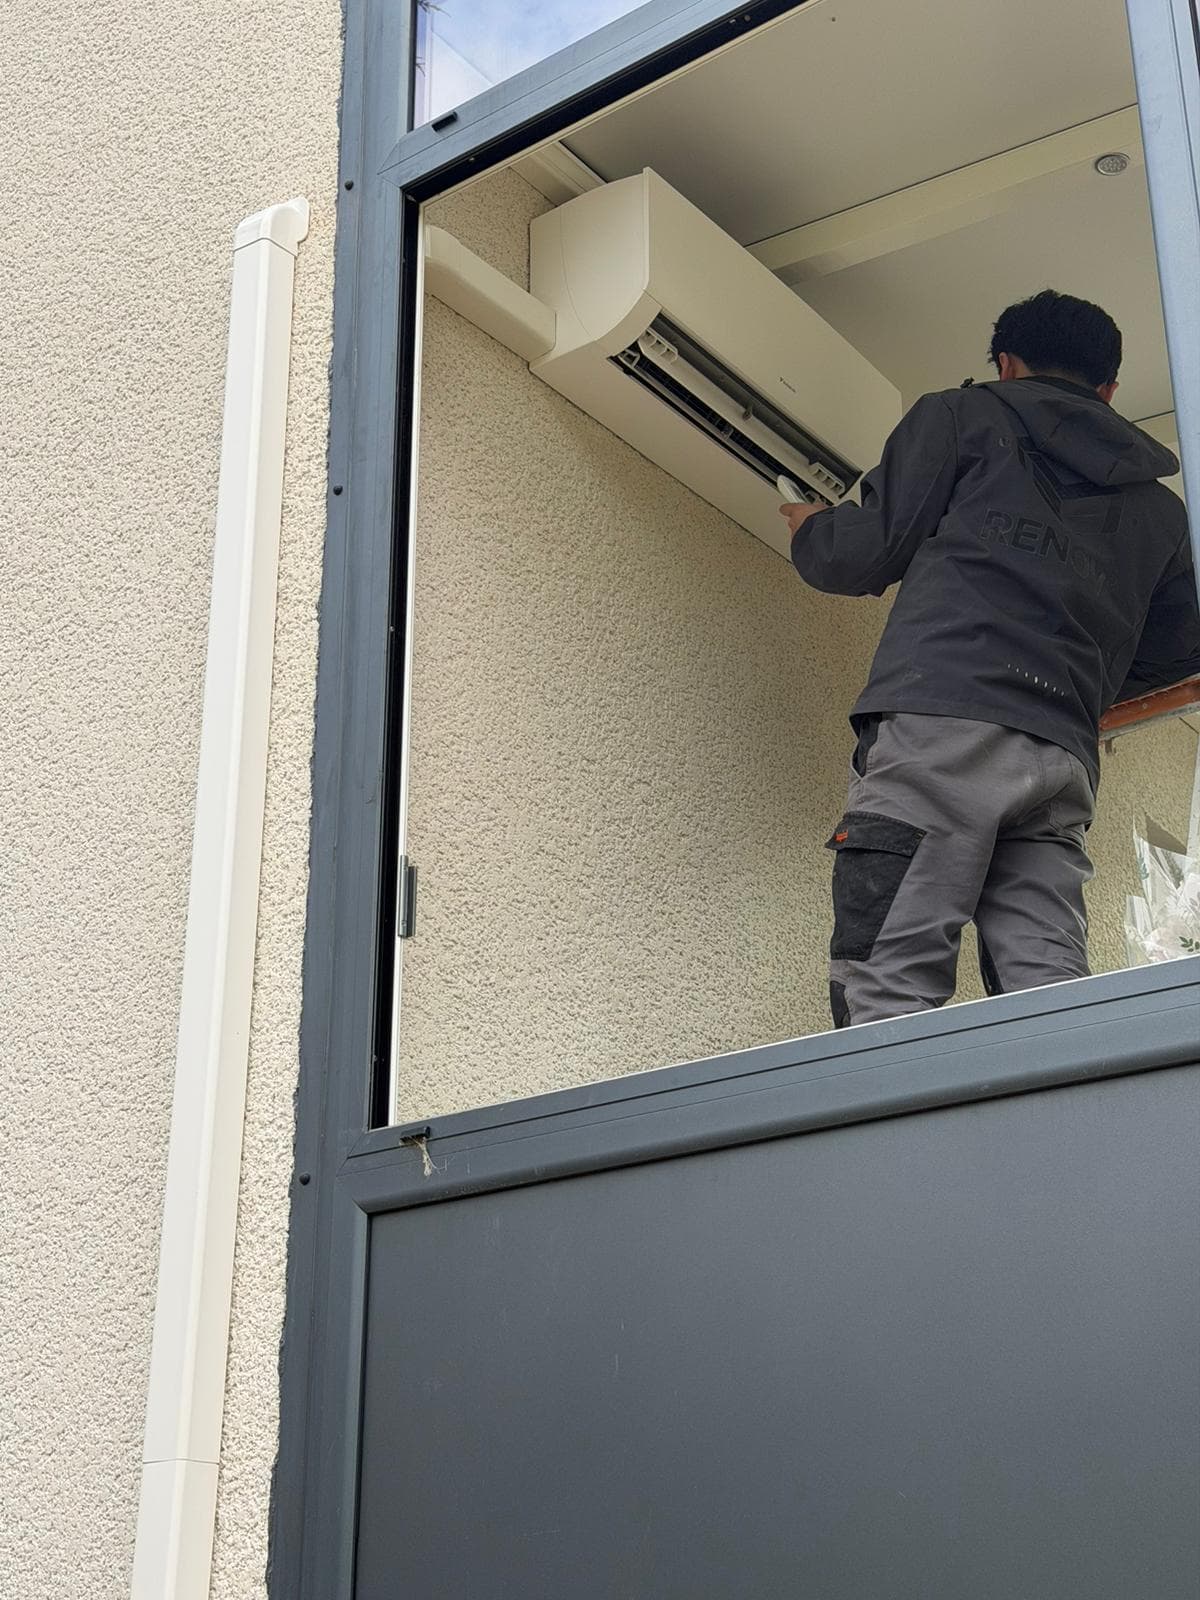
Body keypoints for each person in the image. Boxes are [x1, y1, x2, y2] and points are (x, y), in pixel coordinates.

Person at [782, 288, 1200, 1029]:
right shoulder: (1163, 511)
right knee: (1049, 996)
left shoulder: (960, 416)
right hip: (1061, 758)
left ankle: (892, 1146)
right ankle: (1060, 1141)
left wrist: (812, 527)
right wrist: (1080, 688)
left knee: (890, 982)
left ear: (1007, 365)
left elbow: (861, 555)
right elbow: (1178, 649)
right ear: (1108, 387)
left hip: (943, 727)